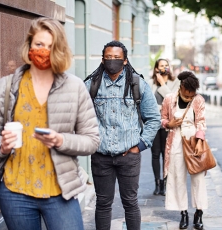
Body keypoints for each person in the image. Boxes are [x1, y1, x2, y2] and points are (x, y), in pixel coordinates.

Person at [0, 17, 100, 230]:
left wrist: (61, 139)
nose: (44, 51)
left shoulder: (74, 87)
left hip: (60, 191)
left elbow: (92, 140)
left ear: (60, 50)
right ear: (29, 45)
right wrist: (1, 146)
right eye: (39, 44)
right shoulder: (6, 87)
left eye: (51, 46)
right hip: (15, 191)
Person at [84, 41, 161, 230]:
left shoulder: (137, 84)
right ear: (102, 60)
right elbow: (79, 116)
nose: (112, 61)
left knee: (130, 202)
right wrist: (89, 141)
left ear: (125, 60)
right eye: (108, 57)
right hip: (101, 156)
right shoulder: (91, 84)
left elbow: (153, 119)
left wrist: (140, 146)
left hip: (130, 156)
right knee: (103, 204)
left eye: (117, 58)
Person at [161, 71, 208, 229]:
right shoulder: (169, 99)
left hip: (194, 141)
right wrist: (169, 124)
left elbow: (201, 120)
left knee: (198, 178)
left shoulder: (198, 100)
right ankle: (183, 213)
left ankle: (199, 213)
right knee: (177, 177)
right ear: (180, 88)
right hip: (175, 141)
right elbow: (163, 118)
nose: (189, 98)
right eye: (186, 95)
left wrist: (200, 141)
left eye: (191, 96)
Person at [148, 58, 180, 196]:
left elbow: (173, 100)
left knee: (166, 154)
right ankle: (157, 183)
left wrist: (162, 83)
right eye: (161, 66)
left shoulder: (175, 82)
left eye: (166, 65)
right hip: (155, 123)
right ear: (156, 69)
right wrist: (160, 108)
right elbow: (147, 103)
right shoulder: (150, 84)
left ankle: (166, 183)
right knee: (155, 154)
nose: (164, 68)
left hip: (169, 124)